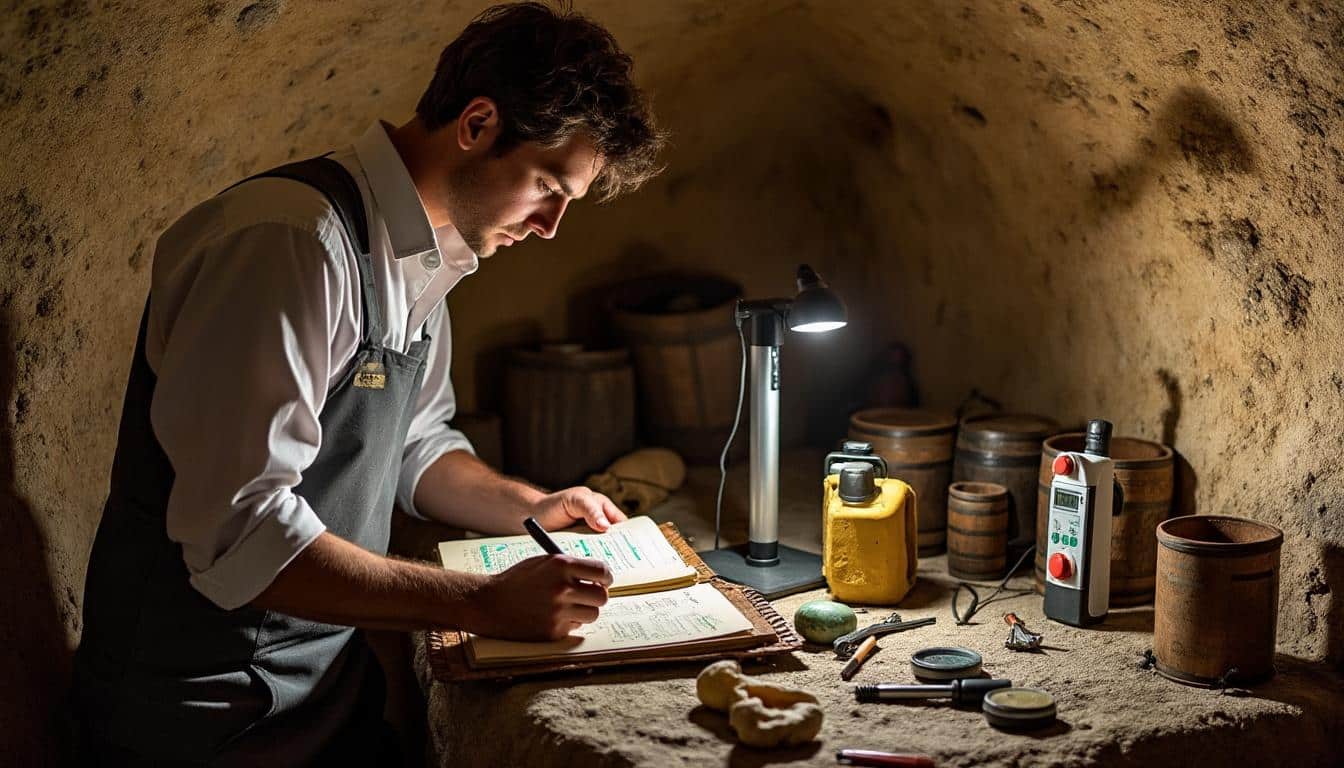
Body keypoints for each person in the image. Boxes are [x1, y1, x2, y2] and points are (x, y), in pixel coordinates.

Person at [71, 2, 664, 763]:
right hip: (199, 715)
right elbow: (241, 533)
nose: (551, 226)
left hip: (320, 693)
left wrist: (532, 508)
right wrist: (483, 603)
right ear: (478, 124)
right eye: (548, 185)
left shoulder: (430, 254)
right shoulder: (289, 244)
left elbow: (414, 445)